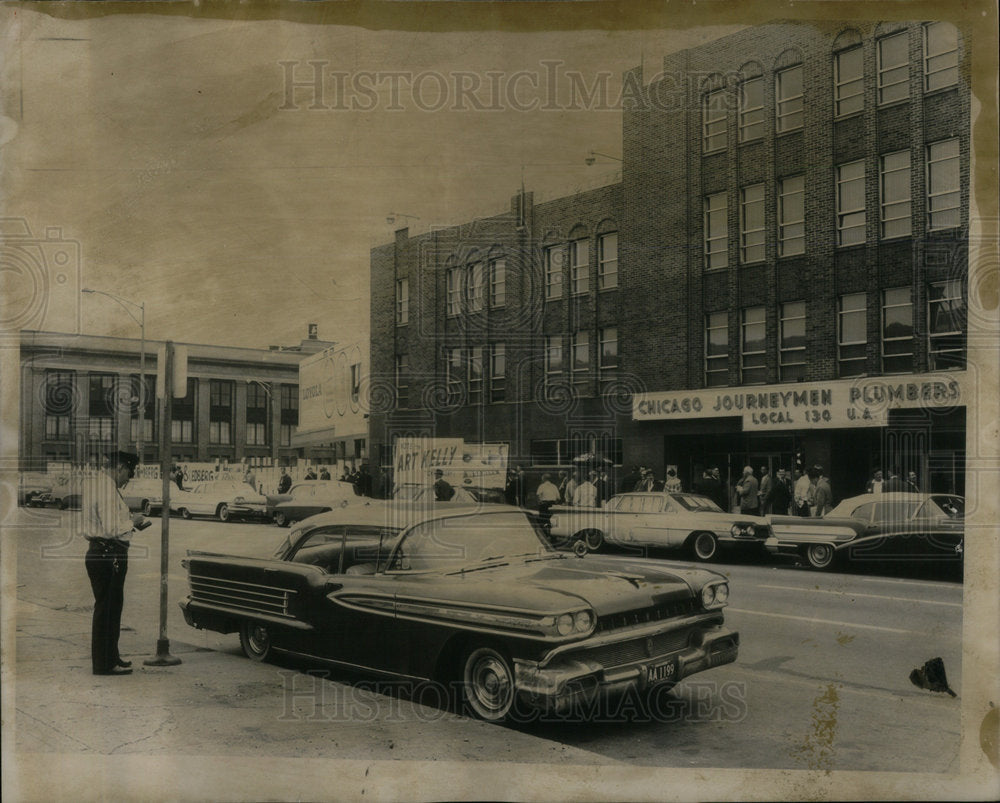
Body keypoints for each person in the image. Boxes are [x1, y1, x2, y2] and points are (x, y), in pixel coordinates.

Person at [82, 449, 147, 676]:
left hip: (103, 553)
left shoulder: (101, 486)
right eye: (129, 472)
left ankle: (111, 656)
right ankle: (105, 664)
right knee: (108, 609)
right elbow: (111, 529)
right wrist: (133, 522)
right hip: (107, 553)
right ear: (119, 467)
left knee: (110, 608)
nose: (129, 477)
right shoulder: (107, 490)